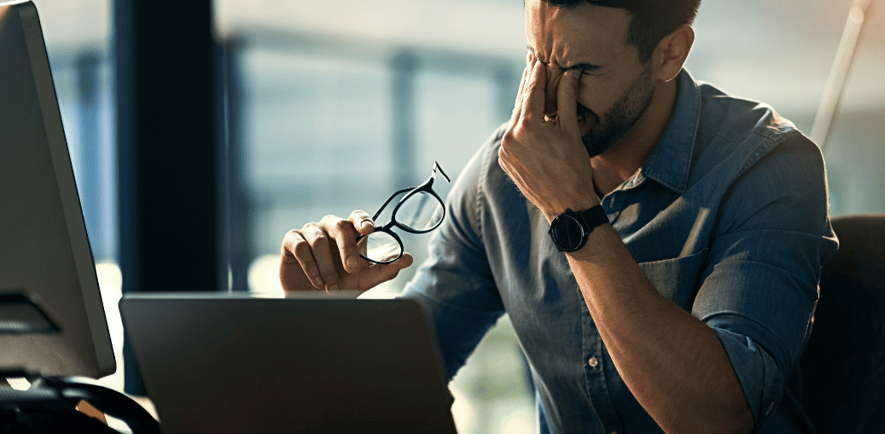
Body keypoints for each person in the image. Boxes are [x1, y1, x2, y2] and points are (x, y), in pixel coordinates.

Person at [279, 0, 839, 432]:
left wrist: (573, 213)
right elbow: (406, 383)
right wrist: (319, 317)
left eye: (581, 71)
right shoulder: (497, 182)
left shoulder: (768, 167)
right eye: (536, 60)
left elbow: (715, 419)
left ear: (670, 53)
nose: (547, 98)